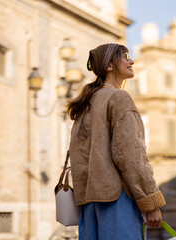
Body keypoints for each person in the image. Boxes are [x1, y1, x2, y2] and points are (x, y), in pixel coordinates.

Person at [67, 43, 166, 239]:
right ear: (109, 66)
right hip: (116, 201)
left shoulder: (87, 102)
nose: (131, 61)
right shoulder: (118, 98)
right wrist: (150, 202)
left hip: (89, 204)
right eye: (125, 57)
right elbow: (131, 155)